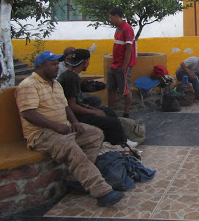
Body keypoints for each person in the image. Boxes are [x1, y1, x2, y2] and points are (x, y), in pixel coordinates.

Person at [15, 51, 124, 207]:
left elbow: (66, 106)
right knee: (71, 148)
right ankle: (102, 191)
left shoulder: (56, 84)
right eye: (53, 64)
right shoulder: (29, 85)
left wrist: (74, 122)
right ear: (40, 66)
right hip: (41, 134)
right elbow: (28, 113)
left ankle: (75, 180)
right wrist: (56, 126)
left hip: (63, 128)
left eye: (57, 64)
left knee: (95, 134)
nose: (57, 67)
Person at [57, 49, 137, 147]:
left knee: (108, 111)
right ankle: (121, 143)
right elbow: (72, 105)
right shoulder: (71, 78)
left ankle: (118, 139)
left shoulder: (71, 75)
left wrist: (89, 107)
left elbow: (76, 101)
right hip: (72, 115)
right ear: (85, 61)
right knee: (112, 122)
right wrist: (93, 112)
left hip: (76, 110)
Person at [107, 7, 137, 118]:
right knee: (111, 88)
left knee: (125, 89)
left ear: (116, 16)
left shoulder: (127, 28)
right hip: (115, 64)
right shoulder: (118, 28)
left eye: (111, 18)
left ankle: (126, 113)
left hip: (123, 65)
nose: (110, 20)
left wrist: (124, 66)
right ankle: (110, 112)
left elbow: (129, 49)